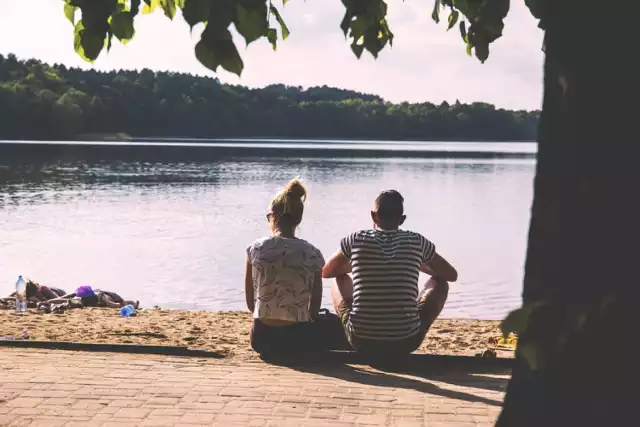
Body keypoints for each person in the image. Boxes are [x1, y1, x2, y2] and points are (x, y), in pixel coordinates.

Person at [322, 189, 458, 356]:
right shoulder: (416, 241)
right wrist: (418, 262)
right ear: (402, 219)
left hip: (361, 340)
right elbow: (451, 275)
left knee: (337, 277)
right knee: (441, 282)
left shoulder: (357, 238)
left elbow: (327, 272)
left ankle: (353, 326)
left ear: (373, 216)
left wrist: (359, 263)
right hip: (407, 341)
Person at [245, 178, 326, 355]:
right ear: (298, 219)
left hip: (261, 338)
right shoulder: (312, 253)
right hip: (297, 340)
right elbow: (314, 311)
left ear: (273, 215)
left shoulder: (255, 249)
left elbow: (252, 305)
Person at [42, 286, 139, 309]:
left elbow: (117, 305)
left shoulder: (102, 298)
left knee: (126, 302)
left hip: (109, 296)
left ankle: (135, 304)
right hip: (90, 292)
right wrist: (48, 301)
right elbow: (65, 298)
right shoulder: (83, 297)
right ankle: (134, 304)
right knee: (68, 297)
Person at [0, 280, 66, 308]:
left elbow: (59, 299)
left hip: (59, 293)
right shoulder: (23, 292)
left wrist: (41, 300)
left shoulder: (43, 289)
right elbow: (6, 298)